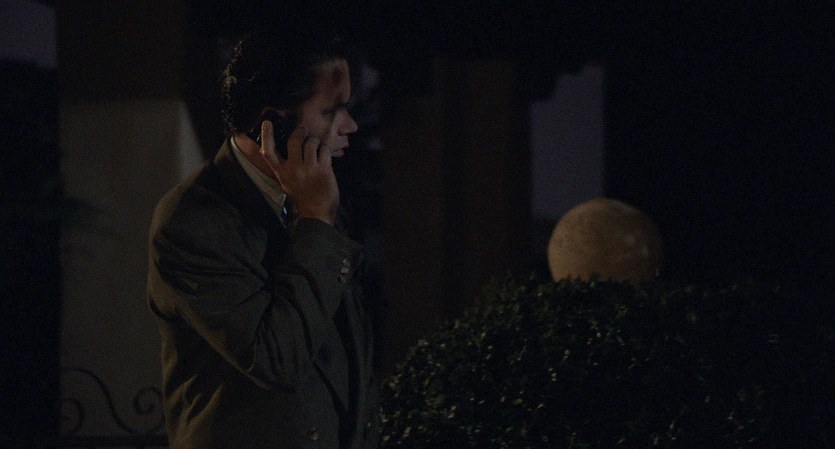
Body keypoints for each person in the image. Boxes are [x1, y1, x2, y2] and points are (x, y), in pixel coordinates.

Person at [147, 28, 380, 449]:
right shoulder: (194, 221)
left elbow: (349, 358)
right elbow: (276, 359)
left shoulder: (317, 196)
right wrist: (316, 222)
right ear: (273, 123)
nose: (350, 126)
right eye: (333, 111)